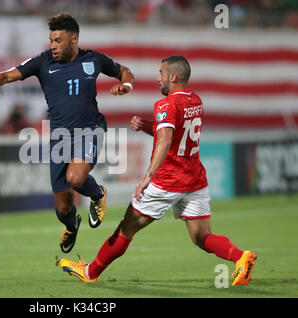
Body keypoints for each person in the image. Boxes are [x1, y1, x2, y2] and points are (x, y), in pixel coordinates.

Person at [59, 56, 256, 286]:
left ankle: (90, 272)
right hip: (194, 181)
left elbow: (165, 140)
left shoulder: (165, 105)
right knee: (202, 237)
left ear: (172, 77)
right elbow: (175, 134)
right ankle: (240, 257)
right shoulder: (196, 101)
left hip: (167, 182)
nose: (157, 78)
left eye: (160, 73)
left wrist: (147, 177)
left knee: (125, 229)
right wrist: (146, 126)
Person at [0, 13, 135, 253]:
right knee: (63, 209)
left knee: (76, 178)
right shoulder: (43, 62)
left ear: (73, 39)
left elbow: (124, 71)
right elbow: (5, 76)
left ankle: (97, 194)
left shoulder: (93, 59)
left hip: (91, 130)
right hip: (59, 139)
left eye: (58, 40)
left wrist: (126, 85)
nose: (53, 45)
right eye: (51, 39)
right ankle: (72, 225)